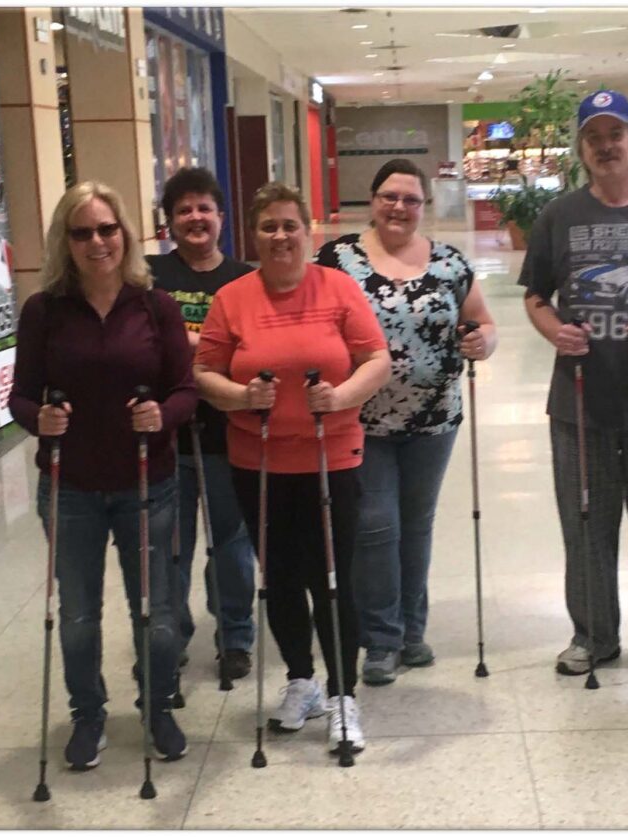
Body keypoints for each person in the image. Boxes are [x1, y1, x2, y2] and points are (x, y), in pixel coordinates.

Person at [194, 183, 390, 753]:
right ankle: (300, 680)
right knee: (278, 578)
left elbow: (376, 358)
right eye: (268, 227)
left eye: (290, 225)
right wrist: (237, 396)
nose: (280, 237)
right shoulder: (232, 298)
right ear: (252, 236)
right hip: (257, 461)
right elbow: (205, 372)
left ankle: (343, 692)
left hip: (333, 456)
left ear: (309, 231)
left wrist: (343, 394)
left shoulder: (338, 288)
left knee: (332, 578)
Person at [10, 181, 196, 769]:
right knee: (78, 613)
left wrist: (160, 414)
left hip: (149, 480)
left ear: (126, 234)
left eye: (107, 229)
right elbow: (18, 398)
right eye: (83, 232)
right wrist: (38, 419)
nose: (98, 241)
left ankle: (158, 705)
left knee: (158, 610)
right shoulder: (44, 311)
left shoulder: (155, 305)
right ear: (65, 241)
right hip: (71, 488)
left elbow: (187, 391)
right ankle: (87, 714)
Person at [519, 89, 628, 679]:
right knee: (585, 520)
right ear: (582, 149)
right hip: (579, 400)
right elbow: (536, 296)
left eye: (615, 135)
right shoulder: (558, 216)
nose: (605, 146)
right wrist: (553, 331)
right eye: (593, 137)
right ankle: (593, 634)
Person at [316, 159, 498, 685]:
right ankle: (379, 638)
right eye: (389, 197)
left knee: (416, 525)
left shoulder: (449, 263)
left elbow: (483, 322)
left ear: (425, 206)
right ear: (372, 201)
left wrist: (483, 341)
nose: (399, 207)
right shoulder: (336, 259)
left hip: (435, 420)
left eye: (411, 200)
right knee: (376, 525)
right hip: (360, 416)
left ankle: (412, 631)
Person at [148, 167, 255, 683]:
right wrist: (211, 348)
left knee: (231, 544)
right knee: (171, 546)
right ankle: (172, 634)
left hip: (228, 434)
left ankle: (235, 636)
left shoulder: (244, 279)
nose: (195, 218)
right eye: (184, 210)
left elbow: (251, 350)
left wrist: (187, 347)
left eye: (204, 208)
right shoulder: (148, 278)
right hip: (165, 437)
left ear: (221, 218)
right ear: (169, 222)